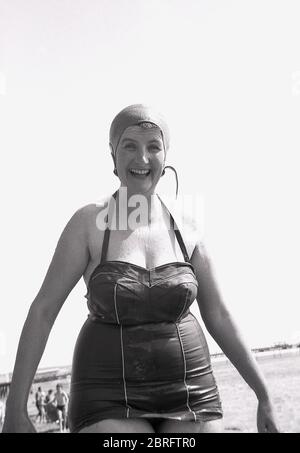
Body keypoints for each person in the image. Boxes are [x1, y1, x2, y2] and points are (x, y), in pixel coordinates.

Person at [2, 104, 279, 433]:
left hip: (191, 393)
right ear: (112, 152)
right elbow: (43, 310)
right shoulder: (89, 223)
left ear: (166, 155)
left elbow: (218, 314)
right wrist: (15, 409)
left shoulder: (188, 228)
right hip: (106, 395)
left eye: (153, 147)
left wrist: (263, 394)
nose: (142, 159)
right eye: (130, 145)